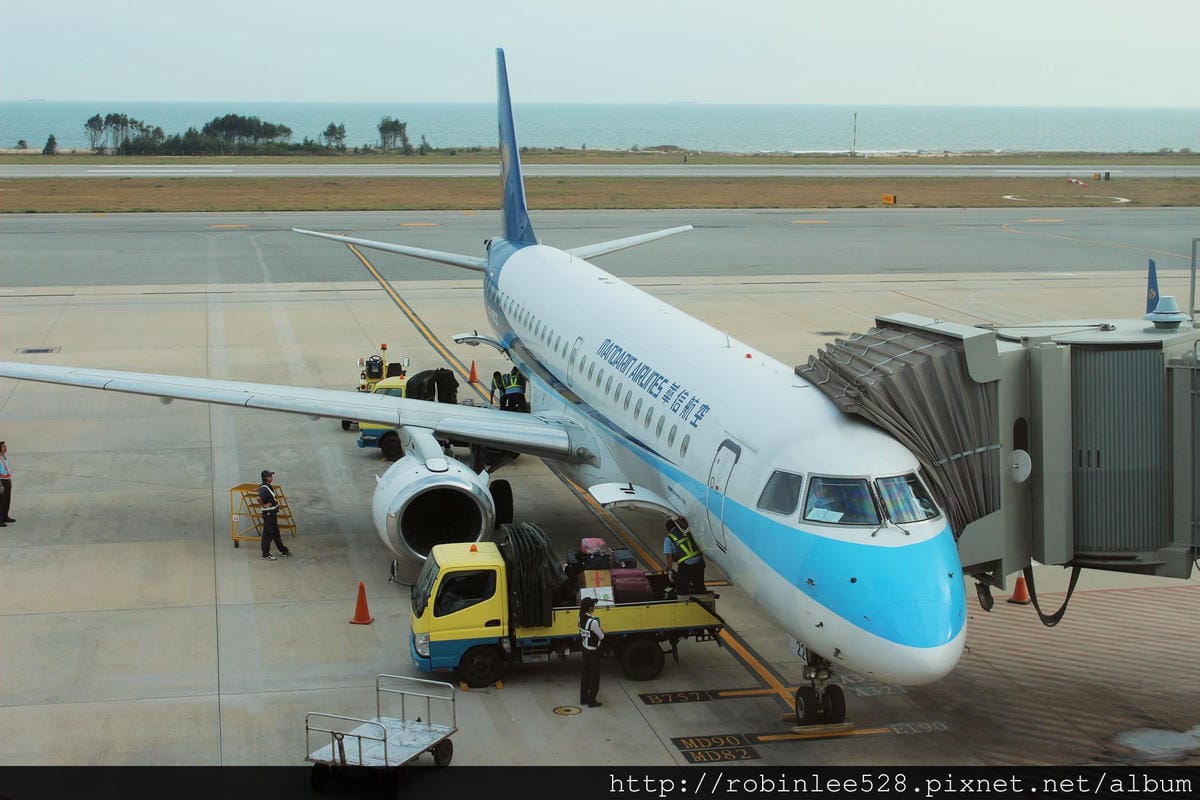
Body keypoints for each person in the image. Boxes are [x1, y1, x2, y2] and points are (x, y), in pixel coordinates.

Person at [664, 517, 705, 594]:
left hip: (686, 565)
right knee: (699, 586)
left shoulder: (669, 538)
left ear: (668, 529)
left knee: (682, 589)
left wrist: (670, 570)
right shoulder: (686, 531)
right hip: (699, 562)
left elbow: (669, 556)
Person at [258, 469, 290, 560]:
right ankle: (265, 554)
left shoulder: (267, 486)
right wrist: (264, 505)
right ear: (265, 478)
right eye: (269, 476)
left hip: (272, 514)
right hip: (269, 514)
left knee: (276, 533)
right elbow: (259, 498)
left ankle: (283, 550)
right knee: (268, 535)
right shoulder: (265, 488)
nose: (271, 477)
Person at [578, 596, 604, 708]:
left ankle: (583, 698)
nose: (594, 606)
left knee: (585, 674)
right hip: (593, 652)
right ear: (589, 608)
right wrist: (602, 631)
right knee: (594, 676)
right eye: (593, 605)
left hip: (585, 648)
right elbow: (601, 636)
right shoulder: (593, 622)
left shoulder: (580, 618)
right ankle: (592, 701)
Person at [0, 441, 13, 527]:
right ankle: (0, 519)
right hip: (2, 481)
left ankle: (5, 516)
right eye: (4, 446)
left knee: (7, 499)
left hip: (7, 480)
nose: (5, 447)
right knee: (2, 501)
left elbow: (8, 470)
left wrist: (10, 480)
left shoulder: (4, 458)